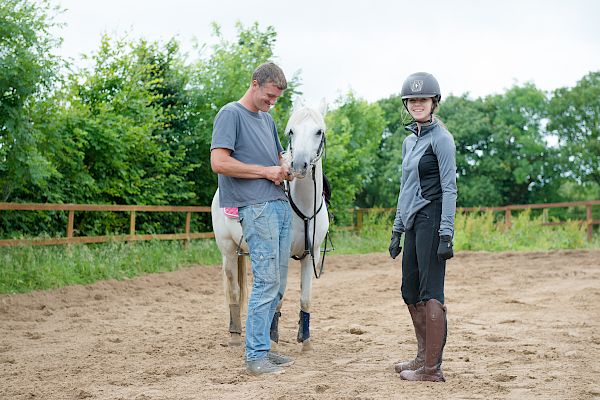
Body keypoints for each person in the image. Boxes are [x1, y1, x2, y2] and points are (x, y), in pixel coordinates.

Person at [210, 62, 295, 375]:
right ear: (255, 83)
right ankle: (256, 356)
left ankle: (265, 348)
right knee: (266, 280)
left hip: (279, 203)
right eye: (269, 96)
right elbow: (219, 162)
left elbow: (276, 158)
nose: (271, 102)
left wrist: (287, 166)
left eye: (276, 99)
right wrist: (265, 172)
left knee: (279, 281)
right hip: (255, 206)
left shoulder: (267, 119)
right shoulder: (230, 114)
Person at [389, 72, 457, 382]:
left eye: (423, 99)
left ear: (433, 103)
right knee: (409, 290)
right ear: (407, 104)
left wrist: (447, 232)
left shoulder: (441, 139)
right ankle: (421, 357)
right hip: (414, 222)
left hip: (433, 220)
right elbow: (406, 186)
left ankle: (432, 369)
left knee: (431, 293)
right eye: (413, 100)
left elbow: (449, 188)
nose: (418, 104)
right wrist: (397, 228)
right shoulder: (409, 141)